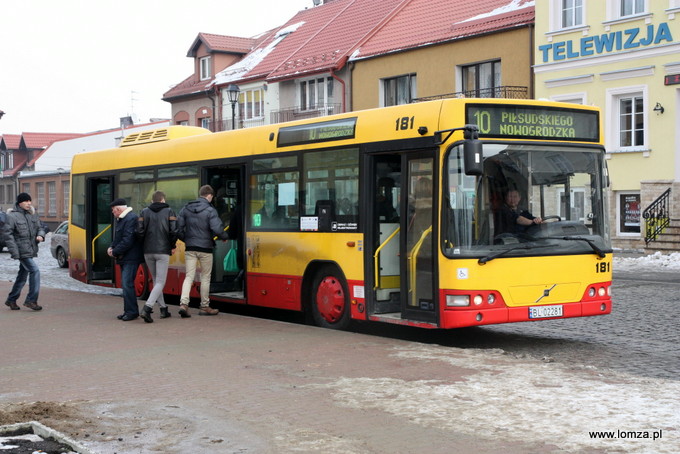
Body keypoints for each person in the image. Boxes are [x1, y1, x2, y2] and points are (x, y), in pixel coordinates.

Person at [177, 185, 229, 317]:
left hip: (190, 248)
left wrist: (187, 239)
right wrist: (224, 237)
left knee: (189, 276)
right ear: (209, 196)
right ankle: (204, 306)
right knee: (205, 277)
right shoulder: (210, 210)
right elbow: (217, 228)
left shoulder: (185, 209)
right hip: (205, 248)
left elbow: (178, 229)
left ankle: (184, 304)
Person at [137, 191, 177, 323]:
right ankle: (147, 308)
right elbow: (173, 231)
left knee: (155, 281)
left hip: (148, 251)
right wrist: (172, 245)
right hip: (162, 251)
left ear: (152, 200)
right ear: (163, 200)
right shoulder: (169, 211)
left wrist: (144, 245)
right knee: (160, 282)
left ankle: (163, 309)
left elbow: (139, 232)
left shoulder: (144, 212)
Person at [3, 193, 46, 311]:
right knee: (35, 271)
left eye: (30, 201)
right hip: (21, 251)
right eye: (26, 201)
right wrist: (14, 252)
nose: (29, 203)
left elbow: (41, 228)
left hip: (30, 249)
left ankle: (11, 299)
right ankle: (31, 300)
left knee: (22, 275)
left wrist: (40, 235)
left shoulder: (32, 214)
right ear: (20, 203)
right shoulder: (12, 216)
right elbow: (8, 235)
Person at [107, 198, 144, 321]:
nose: (113, 213)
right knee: (126, 284)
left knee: (127, 284)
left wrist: (115, 251)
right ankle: (128, 311)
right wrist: (112, 247)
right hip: (126, 257)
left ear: (118, 209)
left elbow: (128, 240)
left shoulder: (130, 219)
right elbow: (119, 237)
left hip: (131, 257)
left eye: (113, 210)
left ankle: (132, 312)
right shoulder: (123, 219)